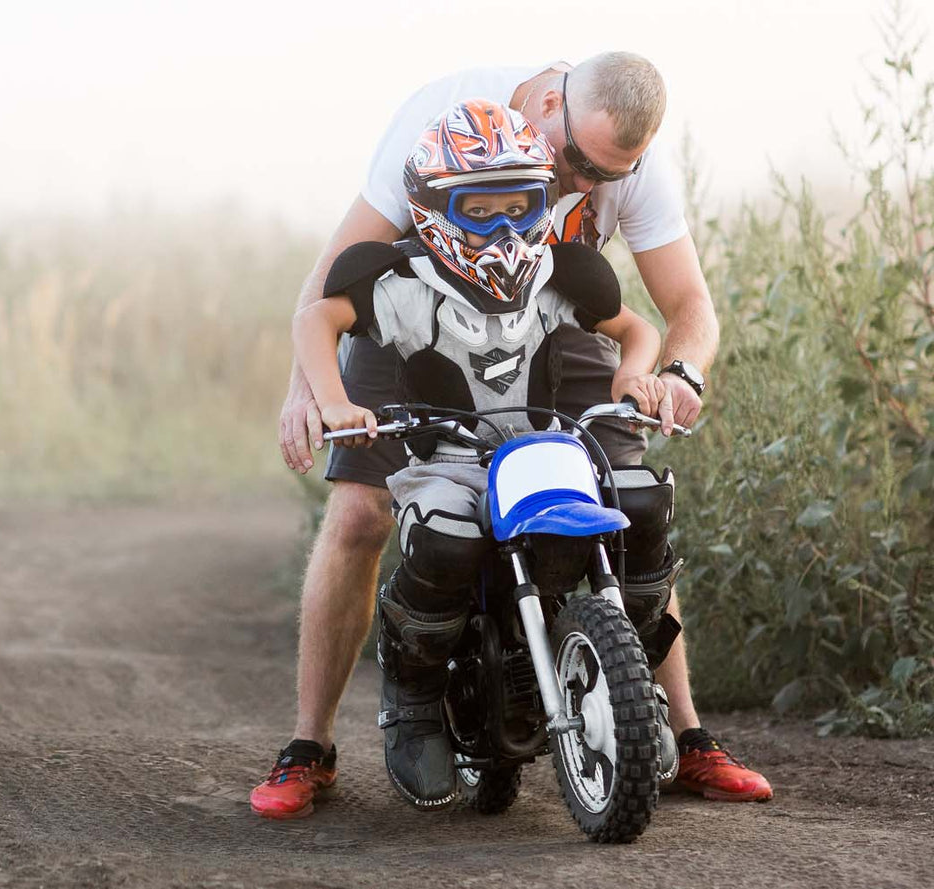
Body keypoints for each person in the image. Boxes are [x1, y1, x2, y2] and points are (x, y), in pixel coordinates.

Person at [253, 53, 772, 820]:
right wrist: (314, 391)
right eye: (576, 163)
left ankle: (679, 729)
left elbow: (686, 303)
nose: (588, 185)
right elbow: (333, 278)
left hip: (548, 299)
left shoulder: (625, 166)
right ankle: (312, 745)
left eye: (608, 174)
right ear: (549, 106)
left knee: (623, 492)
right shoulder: (441, 118)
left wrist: (676, 377)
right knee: (363, 513)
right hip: (419, 304)